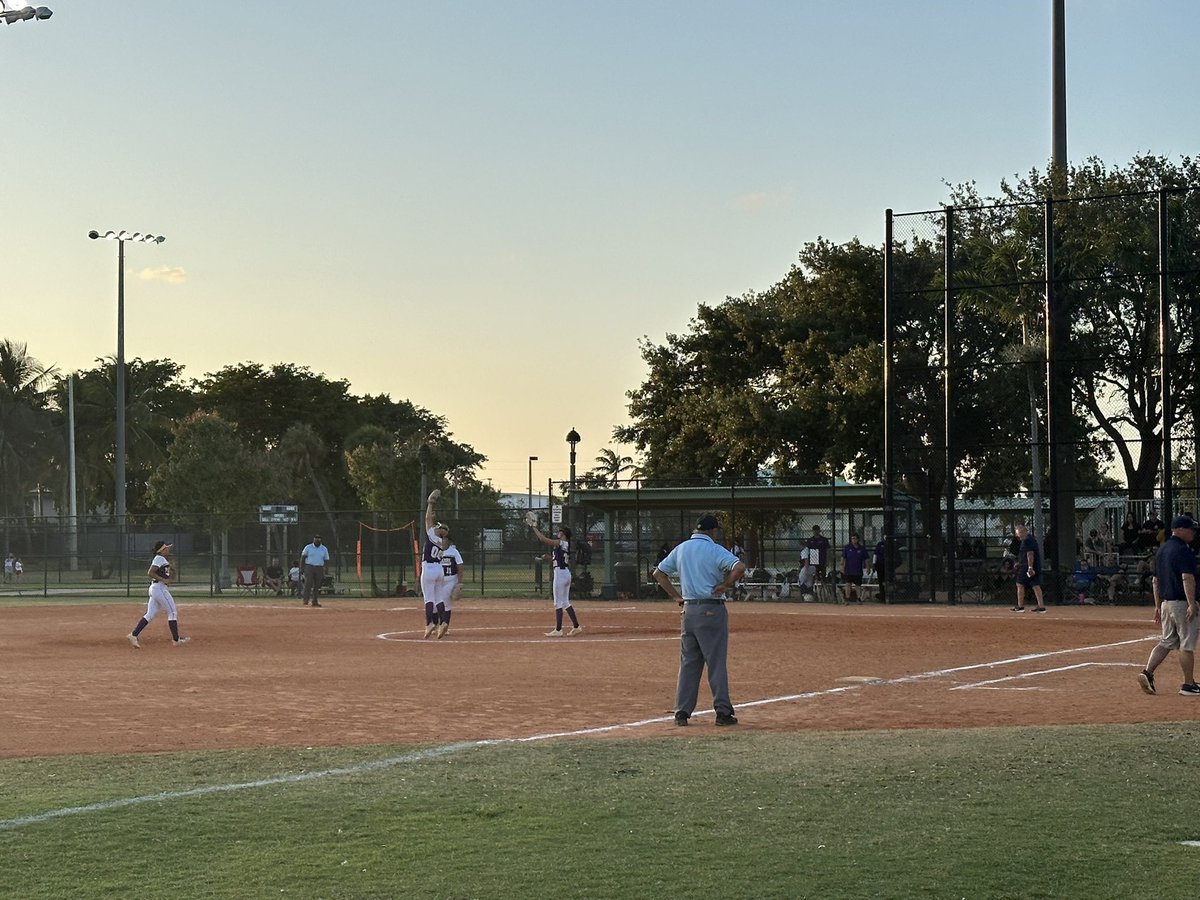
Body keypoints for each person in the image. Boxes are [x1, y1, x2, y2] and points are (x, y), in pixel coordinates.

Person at [652, 513, 747, 727]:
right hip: (711, 609)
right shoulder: (714, 549)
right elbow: (739, 567)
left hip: (688, 610)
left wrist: (676, 596)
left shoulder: (682, 548)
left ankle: (682, 712)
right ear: (712, 532)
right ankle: (722, 712)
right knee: (715, 662)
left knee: (688, 663)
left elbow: (658, 573)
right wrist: (726, 584)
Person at [1137, 515, 1200, 696]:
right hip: (1181, 603)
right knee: (1186, 645)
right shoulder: (1183, 550)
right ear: (1179, 530)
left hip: (1166, 604)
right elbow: (1187, 578)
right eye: (1190, 529)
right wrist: (1191, 604)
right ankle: (1188, 685)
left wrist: (1157, 606)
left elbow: (1155, 581)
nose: (1193, 533)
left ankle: (1147, 673)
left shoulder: (1162, 550)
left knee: (1167, 641)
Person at [127, 540, 189, 648]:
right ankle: (176, 639)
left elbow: (170, 580)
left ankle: (133, 635)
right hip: (159, 588)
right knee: (172, 612)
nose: (168, 550)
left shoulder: (163, 560)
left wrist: (174, 570)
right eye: (166, 548)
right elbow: (150, 572)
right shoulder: (159, 558)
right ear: (162, 550)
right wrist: (162, 579)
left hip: (157, 588)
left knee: (150, 614)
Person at [530, 522, 582, 636]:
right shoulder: (563, 545)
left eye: (561, 532)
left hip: (560, 574)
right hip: (565, 573)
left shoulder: (560, 542)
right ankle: (576, 627)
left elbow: (543, 539)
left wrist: (534, 527)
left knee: (558, 603)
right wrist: (549, 558)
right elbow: (557, 560)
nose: (558, 533)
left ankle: (558, 630)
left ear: (564, 535)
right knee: (565, 602)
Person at [420, 490, 451, 638]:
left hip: (429, 568)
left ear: (439, 529)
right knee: (439, 598)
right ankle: (443, 622)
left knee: (429, 598)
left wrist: (430, 504)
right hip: (440, 570)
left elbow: (427, 518)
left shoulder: (432, 534)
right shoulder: (442, 542)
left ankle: (429, 624)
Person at [430, 536, 463, 639]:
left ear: (448, 541)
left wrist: (459, 583)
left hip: (450, 580)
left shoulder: (453, 552)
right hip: (438, 581)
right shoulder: (435, 551)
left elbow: (460, 566)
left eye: (444, 539)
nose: (442, 542)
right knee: (434, 604)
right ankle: (435, 625)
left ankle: (444, 626)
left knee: (445, 602)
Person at [1011, 523, 1046, 613]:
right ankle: (1041, 606)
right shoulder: (1030, 539)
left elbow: (1030, 554)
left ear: (1024, 531)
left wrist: (1030, 567)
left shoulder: (1027, 540)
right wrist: (1020, 563)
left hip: (1028, 567)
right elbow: (1025, 555)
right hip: (1029, 566)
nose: (1019, 536)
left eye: (1019, 533)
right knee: (1035, 585)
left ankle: (1020, 606)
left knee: (1020, 584)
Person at [299, 534, 330, 607]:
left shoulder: (324, 549)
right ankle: (305, 600)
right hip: (309, 567)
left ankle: (314, 601)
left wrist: (326, 569)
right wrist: (302, 568)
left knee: (317, 585)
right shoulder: (308, 547)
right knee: (308, 584)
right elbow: (303, 557)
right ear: (313, 539)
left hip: (319, 567)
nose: (317, 540)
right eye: (316, 538)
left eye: (319, 538)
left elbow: (326, 560)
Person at [841, 534, 870, 602]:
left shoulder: (862, 548)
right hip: (848, 570)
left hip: (858, 570)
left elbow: (866, 559)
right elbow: (843, 558)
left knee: (858, 585)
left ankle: (858, 598)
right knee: (848, 584)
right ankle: (847, 598)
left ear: (858, 539)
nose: (853, 540)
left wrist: (868, 567)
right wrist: (842, 567)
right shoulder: (847, 548)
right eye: (852, 538)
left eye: (855, 538)